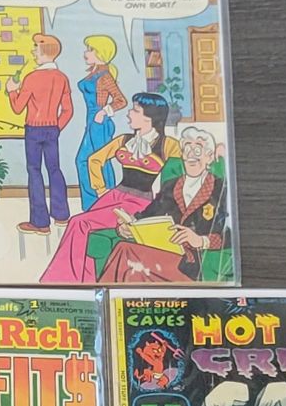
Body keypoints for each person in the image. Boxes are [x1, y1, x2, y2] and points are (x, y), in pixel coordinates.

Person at [42, 92, 179, 283]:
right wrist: (100, 189)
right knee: (81, 225)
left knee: (79, 223)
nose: (129, 113)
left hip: (141, 202)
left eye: (135, 110)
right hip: (115, 195)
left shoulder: (169, 145)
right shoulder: (124, 140)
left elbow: (177, 177)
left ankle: (62, 280)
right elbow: (94, 160)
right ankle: (76, 280)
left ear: (150, 117)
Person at [102, 129, 227, 283]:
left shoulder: (220, 189)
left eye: (198, 150)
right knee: (127, 255)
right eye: (187, 148)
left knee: (125, 251)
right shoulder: (171, 186)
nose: (191, 155)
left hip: (191, 263)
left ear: (209, 157)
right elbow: (147, 215)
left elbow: (228, 233)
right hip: (164, 253)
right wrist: (129, 228)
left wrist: (201, 241)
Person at [4, 33, 74, 234]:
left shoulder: (32, 78)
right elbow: (68, 110)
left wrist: (12, 90)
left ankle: (40, 223)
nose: (33, 51)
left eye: (36, 48)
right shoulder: (62, 78)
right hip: (52, 129)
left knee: (34, 171)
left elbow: (18, 108)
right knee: (55, 169)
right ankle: (62, 215)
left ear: (44, 52)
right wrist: (56, 128)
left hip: (34, 130)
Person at [74, 35, 127, 209]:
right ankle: (91, 205)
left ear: (100, 53)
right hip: (91, 121)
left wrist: (104, 111)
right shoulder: (94, 73)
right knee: (83, 161)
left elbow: (121, 100)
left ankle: (107, 203)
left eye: (90, 49)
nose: (85, 53)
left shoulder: (104, 76)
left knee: (99, 161)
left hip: (100, 122)